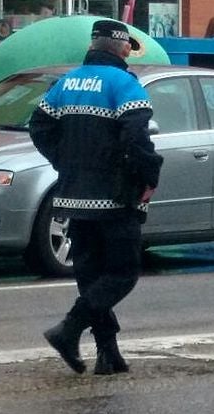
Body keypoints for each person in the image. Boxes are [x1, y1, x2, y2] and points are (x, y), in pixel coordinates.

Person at [29, 20, 163, 375]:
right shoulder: (124, 84)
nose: (127, 54)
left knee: (92, 274)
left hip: (73, 195)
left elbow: (39, 126)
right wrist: (148, 175)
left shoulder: (67, 82)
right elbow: (137, 136)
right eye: (126, 48)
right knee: (122, 272)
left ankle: (108, 353)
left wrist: (65, 161)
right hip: (114, 198)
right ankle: (68, 329)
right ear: (119, 48)